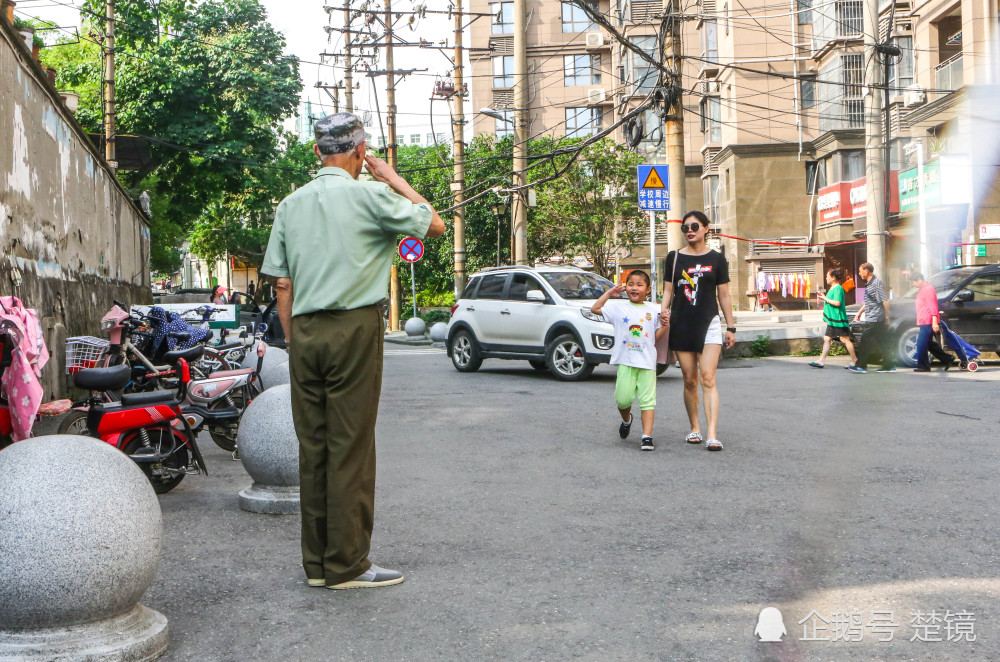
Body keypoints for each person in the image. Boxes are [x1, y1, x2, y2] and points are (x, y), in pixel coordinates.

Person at [260, 112, 445, 590]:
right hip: (354, 329)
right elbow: (436, 224)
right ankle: (348, 565)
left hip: (302, 331)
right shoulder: (372, 195)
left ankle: (317, 565)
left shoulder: (291, 204)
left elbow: (283, 284)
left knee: (314, 446)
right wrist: (394, 177)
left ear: (316, 152)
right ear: (360, 152)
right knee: (351, 447)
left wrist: (294, 336)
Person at [659, 210, 736, 451]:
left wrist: (730, 326)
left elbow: (723, 295)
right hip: (681, 323)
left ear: (705, 229)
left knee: (708, 378)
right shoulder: (673, 258)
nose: (689, 231)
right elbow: (668, 291)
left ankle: (712, 433)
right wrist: (663, 312)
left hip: (709, 323)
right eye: (685, 228)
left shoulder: (717, 259)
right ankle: (695, 428)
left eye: (694, 226)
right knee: (690, 380)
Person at [591, 270, 667, 451]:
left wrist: (665, 324)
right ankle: (627, 419)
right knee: (623, 400)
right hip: (625, 361)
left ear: (648, 289)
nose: (635, 288)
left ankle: (647, 436)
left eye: (640, 285)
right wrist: (610, 292)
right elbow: (595, 309)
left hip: (647, 361)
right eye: (631, 284)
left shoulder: (654, 309)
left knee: (648, 401)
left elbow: (655, 337)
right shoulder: (618, 308)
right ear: (625, 287)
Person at [809, 268, 858, 368]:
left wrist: (825, 298)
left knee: (845, 339)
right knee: (827, 339)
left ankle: (855, 360)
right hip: (833, 320)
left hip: (838, 319)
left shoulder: (838, 288)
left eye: (828, 276)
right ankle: (821, 360)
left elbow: (837, 302)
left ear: (833, 278)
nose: (826, 278)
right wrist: (824, 297)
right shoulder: (833, 288)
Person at [850, 262, 894, 374]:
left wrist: (887, 317)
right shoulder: (870, 283)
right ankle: (889, 365)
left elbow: (884, 301)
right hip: (873, 317)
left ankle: (861, 366)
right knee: (882, 342)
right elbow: (869, 302)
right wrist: (859, 312)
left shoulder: (876, 283)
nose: (859, 273)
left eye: (860, 271)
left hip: (875, 318)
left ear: (867, 270)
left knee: (865, 341)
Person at [910, 271, 954, 372]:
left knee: (921, 343)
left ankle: (923, 366)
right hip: (924, 321)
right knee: (929, 343)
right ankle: (947, 359)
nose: (913, 284)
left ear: (919, 280)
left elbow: (933, 306)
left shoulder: (928, 290)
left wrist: (934, 322)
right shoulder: (923, 289)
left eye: (913, 282)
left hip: (928, 321)